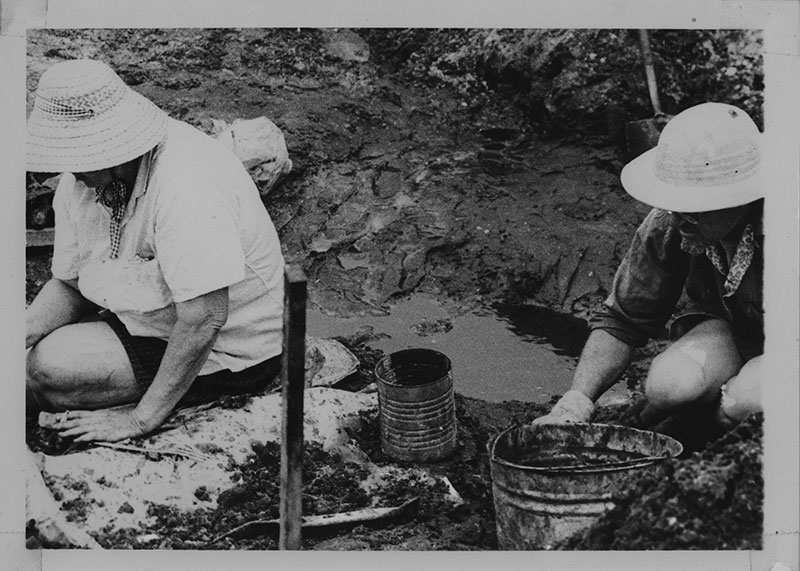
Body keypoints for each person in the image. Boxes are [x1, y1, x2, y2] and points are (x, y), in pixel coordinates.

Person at [26, 59, 286, 442]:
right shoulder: (81, 182)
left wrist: (140, 420)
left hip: (229, 345)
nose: (67, 172)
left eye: (74, 156)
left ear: (109, 148)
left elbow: (205, 319)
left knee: (48, 368)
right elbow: (70, 284)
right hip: (152, 317)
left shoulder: (187, 186)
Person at [534, 102, 763, 437]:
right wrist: (577, 398)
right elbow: (623, 320)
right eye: (675, 204)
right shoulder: (676, 224)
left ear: (741, 197)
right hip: (735, 332)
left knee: (745, 401)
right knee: (669, 385)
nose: (680, 218)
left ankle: (709, 438)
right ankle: (676, 419)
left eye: (697, 208)